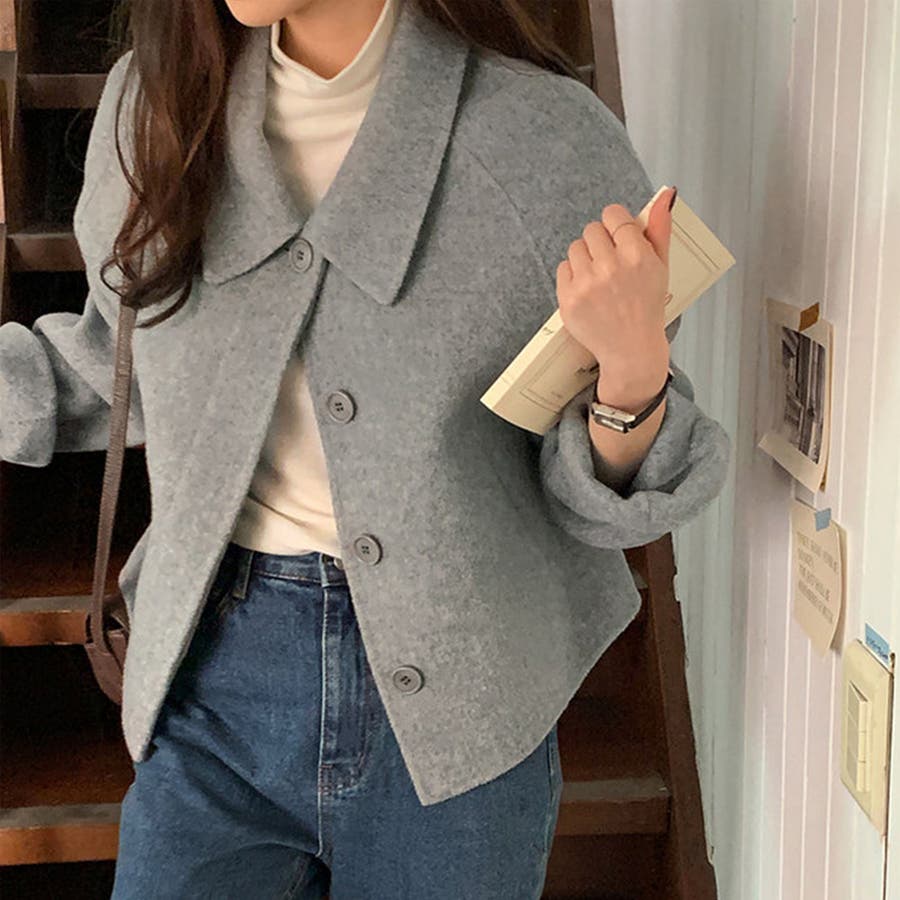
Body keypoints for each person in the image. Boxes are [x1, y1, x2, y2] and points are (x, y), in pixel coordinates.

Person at [0, 0, 731, 896]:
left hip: (462, 699)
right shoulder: (154, 108)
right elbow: (121, 363)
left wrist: (632, 374)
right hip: (213, 675)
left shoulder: (541, 137)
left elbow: (596, 495)